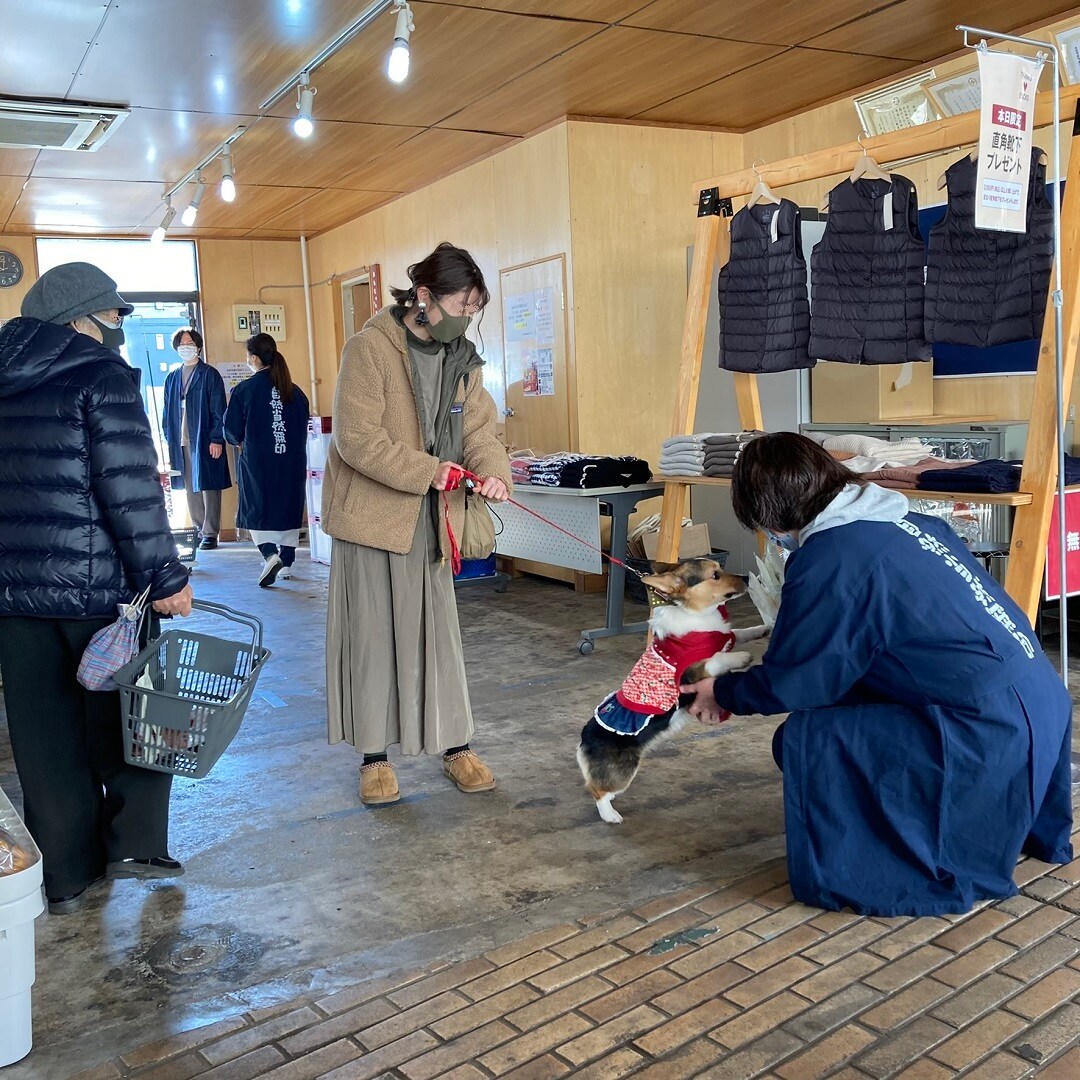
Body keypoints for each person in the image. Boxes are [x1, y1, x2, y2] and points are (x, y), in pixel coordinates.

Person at [682, 432, 1074, 917]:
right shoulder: (907, 517)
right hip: (1040, 703)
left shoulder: (832, 555)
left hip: (982, 729)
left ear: (771, 511)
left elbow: (800, 680)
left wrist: (722, 690)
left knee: (805, 738)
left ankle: (888, 854)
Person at [0, 262, 194, 915]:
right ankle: (134, 845)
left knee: (44, 741)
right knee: (140, 721)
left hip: (14, 599)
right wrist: (164, 576)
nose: (116, 327)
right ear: (77, 318)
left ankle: (67, 874)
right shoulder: (100, 377)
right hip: (96, 595)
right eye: (111, 315)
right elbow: (131, 489)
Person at [322, 243, 512, 805]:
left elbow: (480, 430)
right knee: (374, 639)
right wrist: (430, 471)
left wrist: (493, 472)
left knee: (440, 639)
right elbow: (356, 439)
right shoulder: (369, 350)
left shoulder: (462, 361)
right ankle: (374, 759)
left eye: (474, 309)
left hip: (432, 519)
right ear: (423, 297)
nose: (466, 318)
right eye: (461, 305)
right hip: (373, 520)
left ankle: (456, 745)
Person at [224, 334, 310, 587]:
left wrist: (238, 440)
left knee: (257, 509)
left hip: (257, 463)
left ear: (254, 358)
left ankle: (270, 554)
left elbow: (231, 430)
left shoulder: (244, 390)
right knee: (288, 507)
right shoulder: (295, 391)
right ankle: (287, 562)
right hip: (291, 462)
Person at [163, 327, 231, 550]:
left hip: (204, 437)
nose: (185, 346)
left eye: (189, 342)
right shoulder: (172, 377)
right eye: (181, 343)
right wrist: (169, 436)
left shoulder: (209, 374)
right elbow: (167, 411)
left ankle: (211, 532)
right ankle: (199, 528)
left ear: (198, 346)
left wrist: (216, 438)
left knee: (209, 484)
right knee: (190, 486)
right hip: (181, 439)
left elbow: (219, 408)